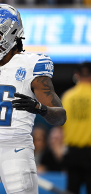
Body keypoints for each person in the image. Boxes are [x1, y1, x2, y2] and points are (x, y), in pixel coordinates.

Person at [0, 4, 66, 194]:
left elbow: (60, 117)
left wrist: (39, 108)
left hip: (15, 149)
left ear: (11, 33)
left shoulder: (33, 65)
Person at [61, 62, 91, 194]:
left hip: (72, 153)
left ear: (76, 75)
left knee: (72, 190)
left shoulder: (68, 96)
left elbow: (62, 124)